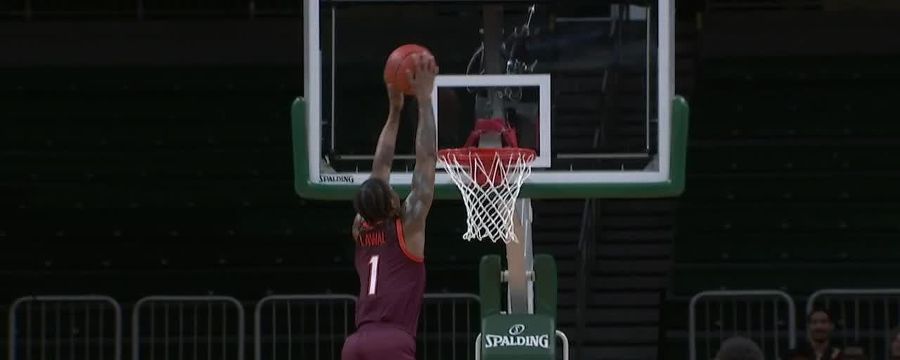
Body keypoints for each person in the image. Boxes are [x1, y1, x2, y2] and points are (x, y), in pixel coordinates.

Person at [340, 53, 439, 360]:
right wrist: (424, 99)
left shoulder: (361, 225)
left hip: (355, 342)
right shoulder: (407, 224)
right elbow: (426, 159)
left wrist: (395, 111)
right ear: (392, 201)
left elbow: (380, 167)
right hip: (391, 340)